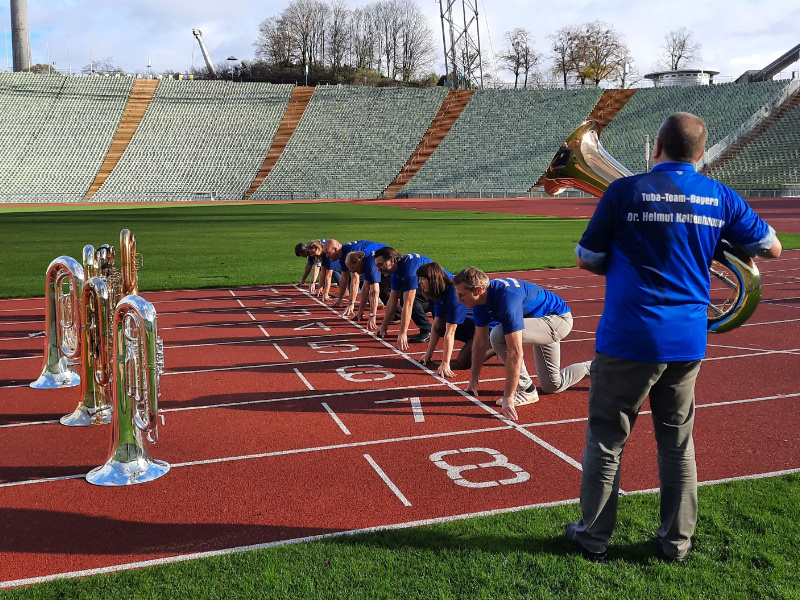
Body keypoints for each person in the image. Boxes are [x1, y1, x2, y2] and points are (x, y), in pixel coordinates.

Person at [568, 112, 782, 564]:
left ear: (655, 148)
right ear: (702, 155)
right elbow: (772, 247)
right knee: (677, 443)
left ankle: (592, 537)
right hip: (687, 340)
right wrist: (710, 242)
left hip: (627, 337)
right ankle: (676, 543)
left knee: (607, 439)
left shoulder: (623, 191)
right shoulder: (719, 195)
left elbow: (587, 257)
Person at [453, 267, 591, 421]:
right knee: (552, 386)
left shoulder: (506, 299)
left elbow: (515, 351)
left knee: (499, 334)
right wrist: (473, 380)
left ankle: (527, 389)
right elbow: (479, 342)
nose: (459, 300)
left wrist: (509, 396)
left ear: (478, 290)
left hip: (557, 320)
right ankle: (598, 366)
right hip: (539, 320)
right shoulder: (480, 301)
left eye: (461, 295)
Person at [417, 262, 495, 376]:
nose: (419, 282)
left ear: (433, 279)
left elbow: (451, 331)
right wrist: (428, 354)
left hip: (487, 328)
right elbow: (437, 323)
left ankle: (499, 344)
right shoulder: (439, 292)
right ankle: (472, 341)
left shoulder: (453, 294)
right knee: (439, 325)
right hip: (471, 326)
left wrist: (445, 362)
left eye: (423, 278)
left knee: (464, 362)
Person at [374, 246, 434, 350]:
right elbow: (392, 300)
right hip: (431, 291)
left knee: (410, 299)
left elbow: (408, 303)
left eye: (380, 265)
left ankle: (427, 329)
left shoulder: (409, 269)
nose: (378, 269)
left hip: (446, 290)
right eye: (377, 266)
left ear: (392, 260)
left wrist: (402, 333)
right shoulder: (396, 271)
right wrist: (384, 325)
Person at [324, 239, 386, 316]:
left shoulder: (351, 253)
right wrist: (340, 298)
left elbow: (355, 280)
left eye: (328, 253)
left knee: (380, 287)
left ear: (335, 249)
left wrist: (351, 303)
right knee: (367, 283)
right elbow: (344, 277)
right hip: (371, 261)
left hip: (383, 259)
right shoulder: (343, 255)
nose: (326, 256)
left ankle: (397, 312)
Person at [345, 249, 393, 331]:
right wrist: (360, 311)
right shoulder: (365, 263)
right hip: (385, 264)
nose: (352, 271)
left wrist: (372, 316)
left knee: (380, 287)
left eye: (352, 268)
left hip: (394, 269)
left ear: (358, 261)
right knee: (373, 284)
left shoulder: (370, 265)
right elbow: (366, 288)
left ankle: (397, 313)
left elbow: (374, 292)